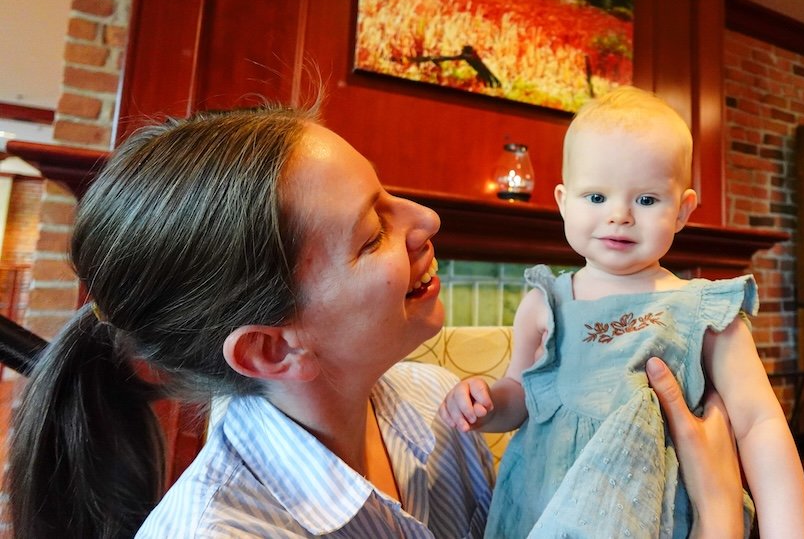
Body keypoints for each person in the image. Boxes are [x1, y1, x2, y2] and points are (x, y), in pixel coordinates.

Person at [5, 105, 747, 539]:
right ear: (271, 347)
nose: (426, 220)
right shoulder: (226, 528)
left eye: (391, 194)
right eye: (372, 234)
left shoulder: (431, 406)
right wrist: (715, 511)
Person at [441, 87, 804, 538]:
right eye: (596, 198)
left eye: (647, 200)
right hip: (541, 506)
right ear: (562, 202)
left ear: (682, 211)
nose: (619, 215)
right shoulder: (545, 302)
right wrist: (486, 405)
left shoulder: (704, 311)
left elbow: (760, 423)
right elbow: (522, 396)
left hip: (652, 517)